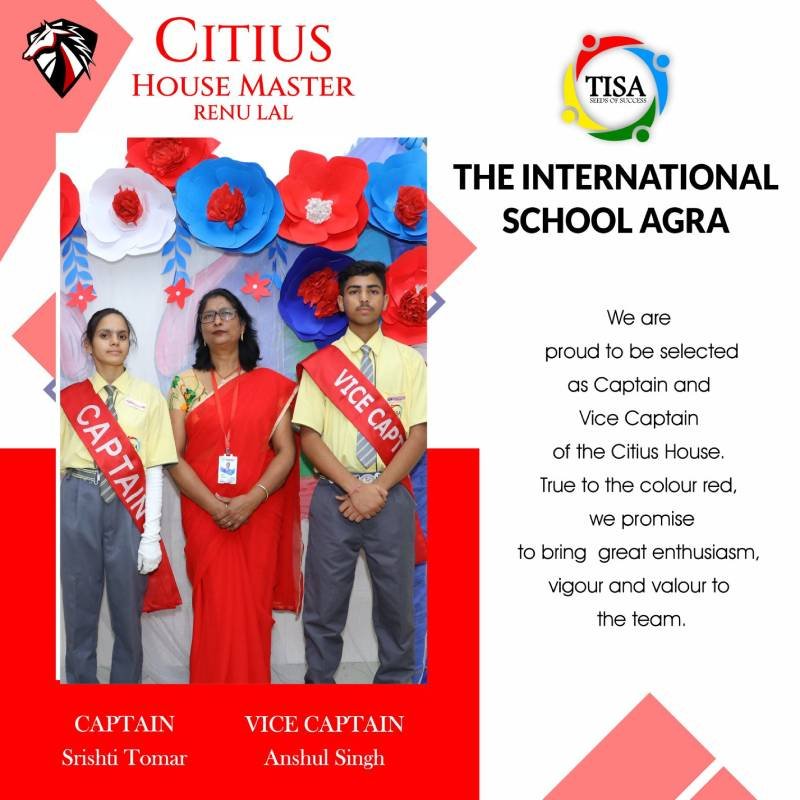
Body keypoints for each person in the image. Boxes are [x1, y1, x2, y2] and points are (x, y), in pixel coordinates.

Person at [293, 261, 427, 683]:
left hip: (392, 496)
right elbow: (309, 437)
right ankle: (320, 687)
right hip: (336, 497)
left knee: (396, 605)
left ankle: (397, 689)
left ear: (386, 300)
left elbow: (419, 435)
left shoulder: (410, 361)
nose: (364, 298)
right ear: (340, 300)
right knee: (324, 605)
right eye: (354, 290)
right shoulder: (324, 365)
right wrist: (354, 488)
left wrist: (377, 489)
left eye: (373, 290)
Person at [168, 288, 302, 683]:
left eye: (226, 313)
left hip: (257, 514)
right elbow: (173, 454)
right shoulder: (185, 384)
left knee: (250, 607)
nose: (217, 321)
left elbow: (285, 454)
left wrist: (250, 500)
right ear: (201, 331)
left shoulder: (273, 386)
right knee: (214, 605)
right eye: (208, 316)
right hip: (204, 513)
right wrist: (215, 506)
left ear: (243, 325)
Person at [60, 308, 178, 683]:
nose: (114, 342)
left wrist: (152, 535)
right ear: (88, 344)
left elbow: (155, 467)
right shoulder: (69, 400)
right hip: (78, 497)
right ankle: (81, 689)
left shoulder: (149, 396)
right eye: (105, 335)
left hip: (130, 505)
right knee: (79, 603)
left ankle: (126, 691)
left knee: (127, 608)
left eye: (122, 336)